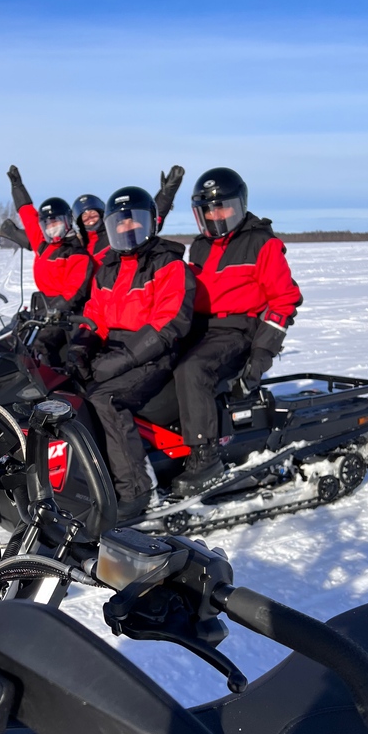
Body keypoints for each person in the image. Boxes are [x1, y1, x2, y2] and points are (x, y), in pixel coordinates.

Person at [172, 167, 303, 497]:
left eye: (222, 207)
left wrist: (261, 354)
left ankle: (206, 456)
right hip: (200, 327)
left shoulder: (261, 243)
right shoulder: (199, 246)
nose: (216, 215)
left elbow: (284, 300)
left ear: (239, 205)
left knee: (193, 369)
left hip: (238, 330)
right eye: (208, 210)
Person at [67, 186, 195, 521]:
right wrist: (82, 344)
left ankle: (136, 488)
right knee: (69, 390)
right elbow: (95, 313)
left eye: (134, 221)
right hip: (116, 350)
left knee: (106, 399)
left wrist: (124, 358)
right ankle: (95, 477)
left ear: (151, 222)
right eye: (119, 223)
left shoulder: (168, 264)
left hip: (155, 354)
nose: (127, 229)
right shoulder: (108, 267)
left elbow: (169, 323)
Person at [6, 166, 93, 366]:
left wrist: (53, 312)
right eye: (49, 224)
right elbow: (28, 215)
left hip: (65, 312)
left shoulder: (76, 254)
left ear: (67, 222)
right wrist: (17, 187)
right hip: (43, 308)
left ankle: (45, 386)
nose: (53, 228)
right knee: (16, 339)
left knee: (39, 346)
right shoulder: (43, 246)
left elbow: (74, 291)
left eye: (57, 222)